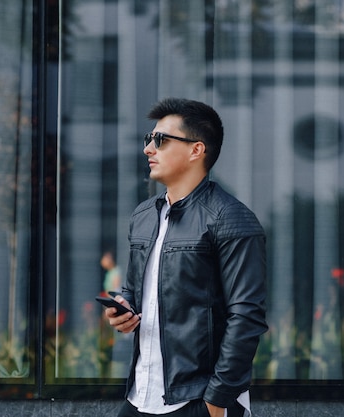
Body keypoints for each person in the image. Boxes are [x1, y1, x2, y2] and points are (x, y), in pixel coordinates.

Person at [105, 98, 267, 417]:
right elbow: (133, 293)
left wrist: (217, 401)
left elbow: (246, 316)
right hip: (140, 395)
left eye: (161, 140)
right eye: (148, 140)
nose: (148, 149)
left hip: (197, 400)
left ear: (196, 150)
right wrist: (121, 311)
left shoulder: (231, 219)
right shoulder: (143, 216)